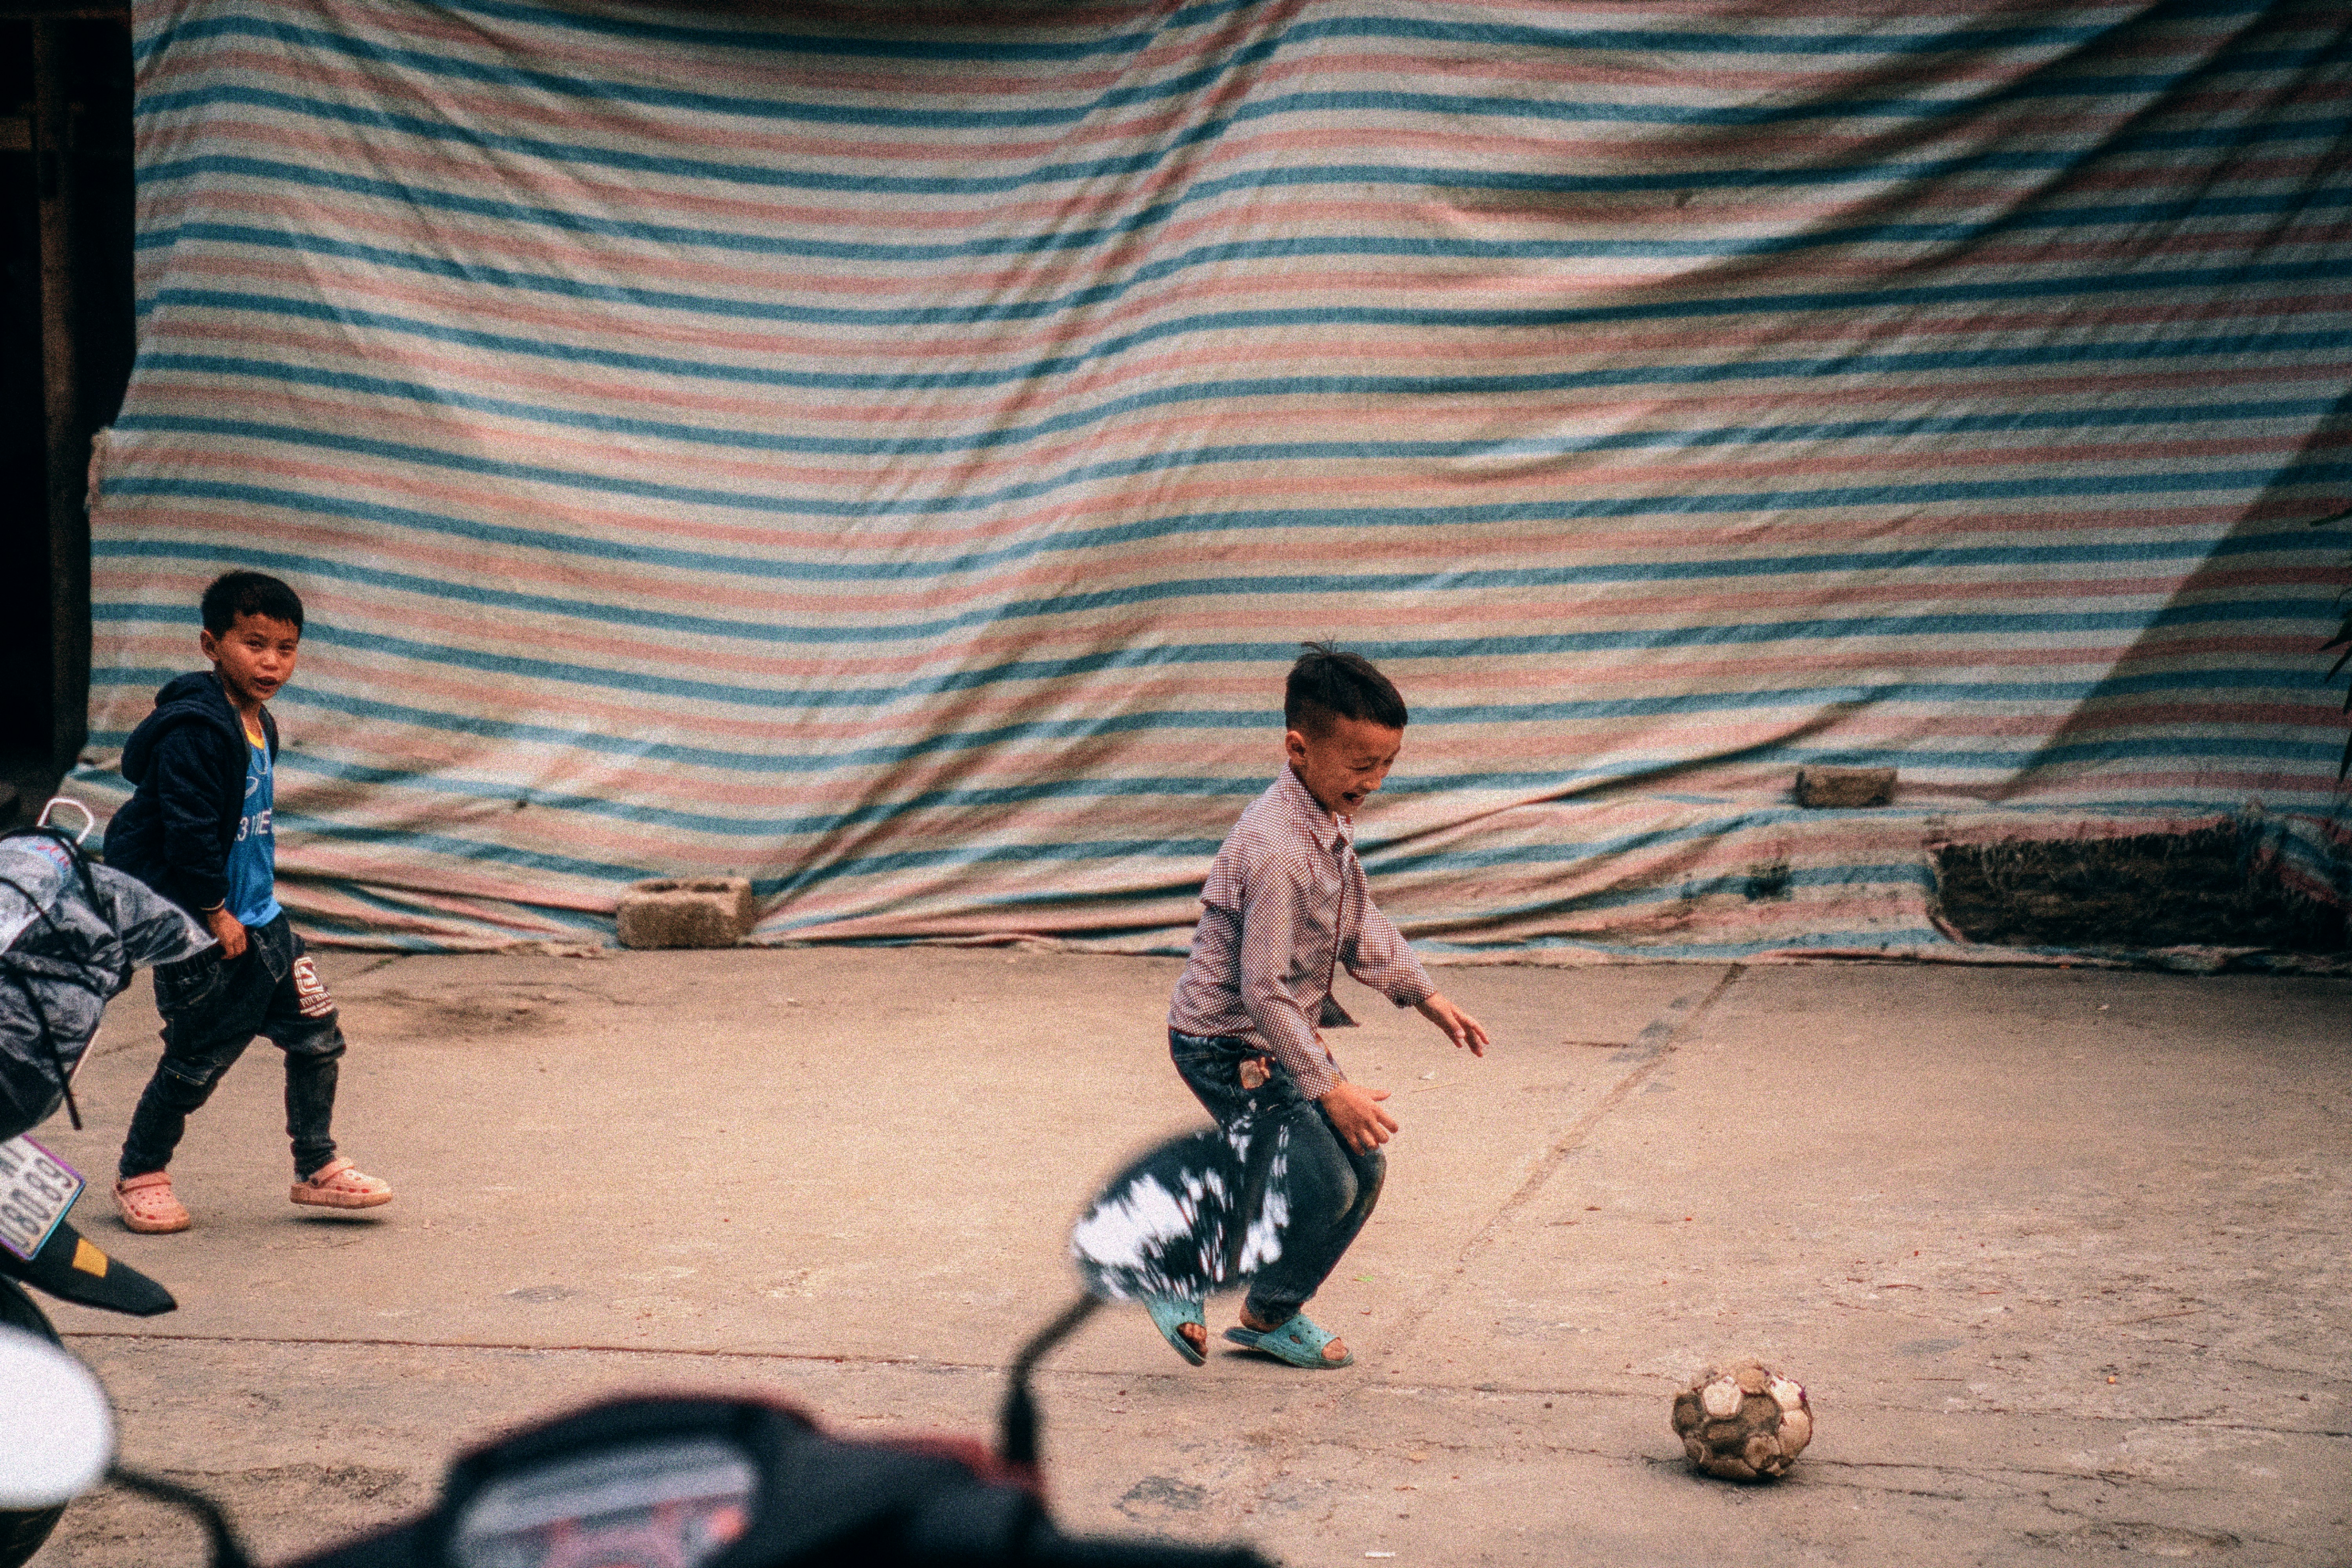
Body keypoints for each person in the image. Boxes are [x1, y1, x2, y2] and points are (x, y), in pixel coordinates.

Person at [1156, 642, 1488, 1368]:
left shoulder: (1325, 821)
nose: (1373, 781)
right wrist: (1329, 1089)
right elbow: (1264, 988)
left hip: (1272, 1037)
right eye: (1360, 764)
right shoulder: (1276, 848)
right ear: (1298, 749)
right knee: (1319, 1176)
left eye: (1387, 765)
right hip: (1224, 1043)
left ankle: (1271, 1316)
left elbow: (1358, 921)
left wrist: (1423, 993)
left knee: (1362, 1172)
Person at [100, 570, 392, 1234]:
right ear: (212, 644)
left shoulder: (260, 725)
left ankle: (316, 1165)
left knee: (317, 1036)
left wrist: (250, 906)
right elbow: (189, 830)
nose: (271, 662)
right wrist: (212, 910)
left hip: (263, 921)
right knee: (196, 1061)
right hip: (205, 927)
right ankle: (140, 1173)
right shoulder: (196, 733)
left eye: (286, 649)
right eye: (254, 644)